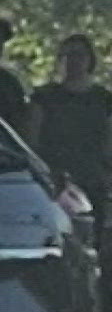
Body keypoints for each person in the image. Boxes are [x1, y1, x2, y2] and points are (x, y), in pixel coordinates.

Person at [28, 34, 112, 204]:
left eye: (79, 55)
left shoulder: (104, 99)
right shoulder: (44, 97)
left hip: (94, 180)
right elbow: (31, 139)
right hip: (54, 180)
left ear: (90, 59)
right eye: (68, 55)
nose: (73, 60)